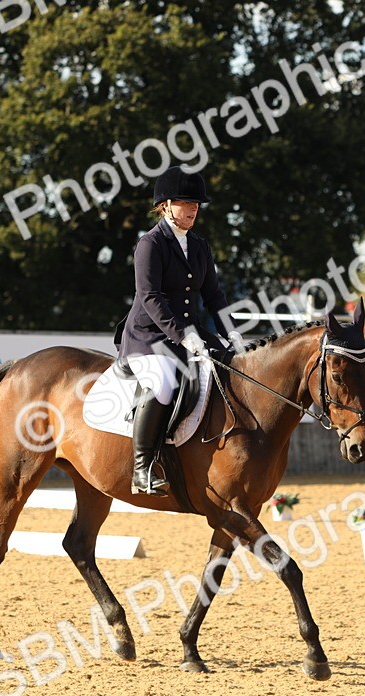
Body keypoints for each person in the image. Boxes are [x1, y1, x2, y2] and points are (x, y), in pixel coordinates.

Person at [113, 166, 242, 496]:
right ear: (166, 205)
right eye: (186, 203)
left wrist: (232, 332)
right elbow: (150, 297)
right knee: (164, 379)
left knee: (231, 367)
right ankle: (142, 468)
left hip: (191, 333)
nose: (193, 209)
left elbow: (213, 295)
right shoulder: (150, 245)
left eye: (196, 204)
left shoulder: (200, 246)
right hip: (149, 336)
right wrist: (183, 334)